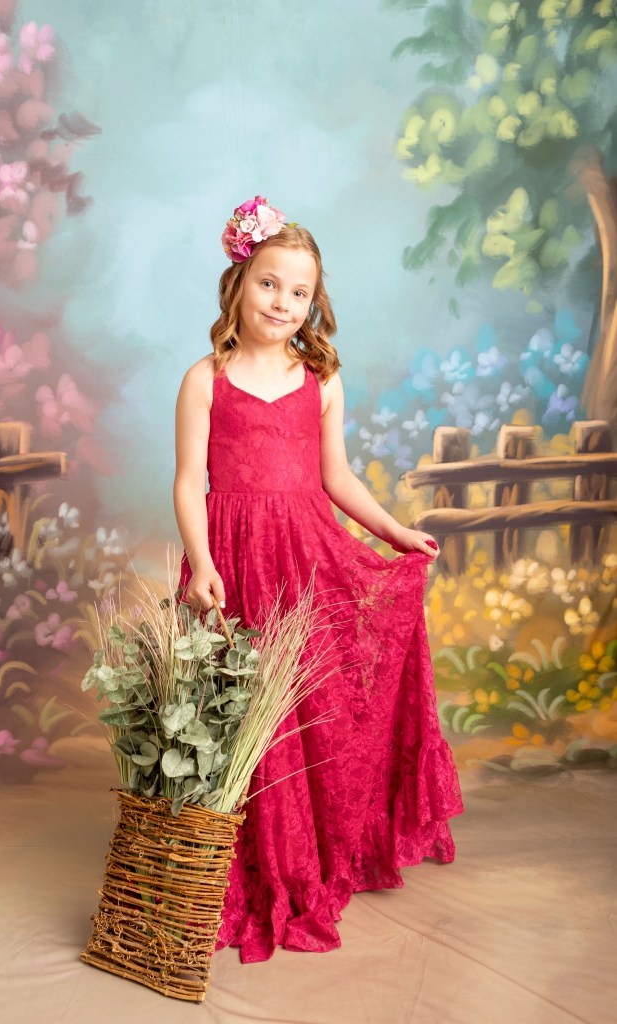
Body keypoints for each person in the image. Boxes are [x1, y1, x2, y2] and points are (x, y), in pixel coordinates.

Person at [174, 195, 464, 964]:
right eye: (269, 284)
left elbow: (337, 478)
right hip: (231, 559)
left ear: (314, 302)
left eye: (298, 292)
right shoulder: (205, 377)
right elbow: (185, 482)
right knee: (237, 712)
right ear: (239, 282)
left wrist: (395, 531)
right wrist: (201, 563)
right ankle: (233, 860)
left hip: (305, 555)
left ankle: (310, 852)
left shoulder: (321, 378)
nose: (282, 303)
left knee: (310, 704)